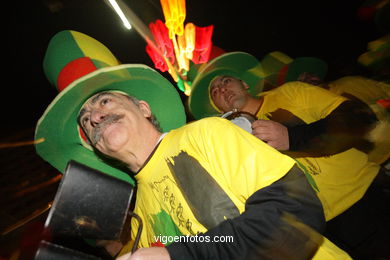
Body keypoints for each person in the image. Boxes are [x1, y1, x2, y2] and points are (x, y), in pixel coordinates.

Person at [35, 31, 351, 259]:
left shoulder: (208, 134)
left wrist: (177, 255)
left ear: (144, 108)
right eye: (86, 120)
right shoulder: (141, 215)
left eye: (104, 100)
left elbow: (292, 218)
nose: (95, 116)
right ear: (94, 146)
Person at [187, 51, 389, 259]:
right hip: (319, 230)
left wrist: (291, 137)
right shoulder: (229, 139)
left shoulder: (290, 92)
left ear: (244, 84)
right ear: (217, 108)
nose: (222, 89)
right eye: (215, 92)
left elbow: (358, 117)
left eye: (226, 81)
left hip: (364, 197)